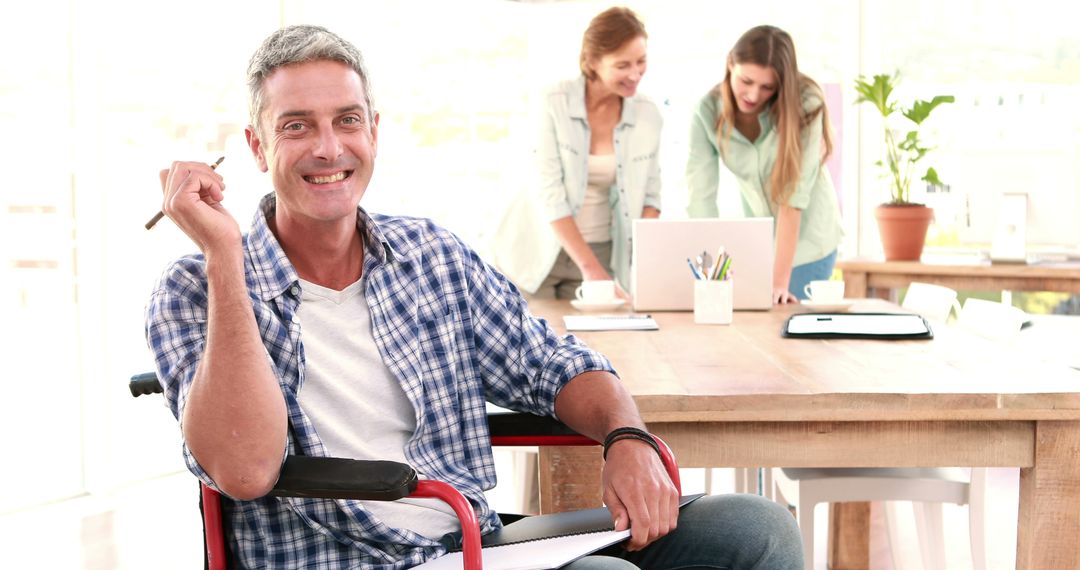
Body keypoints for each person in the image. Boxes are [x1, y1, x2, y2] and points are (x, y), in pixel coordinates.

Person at [145, 24, 802, 569]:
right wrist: (226, 257)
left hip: (473, 544)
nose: (328, 147)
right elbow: (245, 469)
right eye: (296, 127)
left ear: (373, 130)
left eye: (347, 120)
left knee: (759, 529)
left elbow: (557, 364)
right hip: (345, 556)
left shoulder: (431, 257)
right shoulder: (194, 289)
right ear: (257, 147)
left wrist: (626, 436)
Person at [493, 7, 662, 300]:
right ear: (593, 61)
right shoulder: (552, 101)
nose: (635, 74)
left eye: (641, 61)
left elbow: (651, 196)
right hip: (538, 251)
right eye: (623, 65)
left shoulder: (648, 114)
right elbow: (550, 192)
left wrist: (642, 266)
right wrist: (591, 269)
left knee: (603, 345)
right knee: (532, 342)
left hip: (603, 254)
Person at [686, 25, 843, 304]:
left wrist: (778, 283)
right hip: (760, 244)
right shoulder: (707, 112)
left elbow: (792, 199)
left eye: (767, 87)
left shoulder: (806, 102)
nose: (754, 95)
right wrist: (706, 271)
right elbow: (701, 198)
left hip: (809, 241)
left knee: (783, 322)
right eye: (746, 81)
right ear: (730, 64)